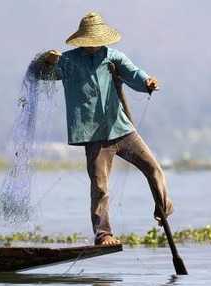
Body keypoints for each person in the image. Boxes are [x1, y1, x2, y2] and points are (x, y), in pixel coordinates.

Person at [35, 12, 173, 246]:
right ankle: (103, 233)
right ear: (82, 40)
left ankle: (163, 209)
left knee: (154, 169)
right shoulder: (68, 61)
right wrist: (46, 61)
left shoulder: (113, 57)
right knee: (100, 187)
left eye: (97, 40)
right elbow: (41, 75)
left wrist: (147, 82)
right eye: (89, 41)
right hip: (94, 135)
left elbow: (134, 74)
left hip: (121, 129)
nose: (93, 45)